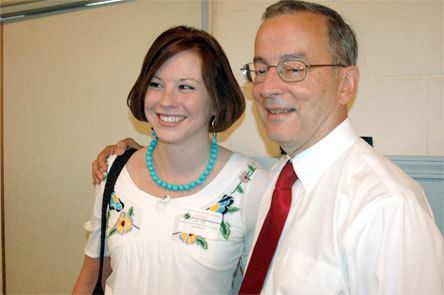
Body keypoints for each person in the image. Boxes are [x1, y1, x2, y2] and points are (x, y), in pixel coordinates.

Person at [92, 1, 443, 294]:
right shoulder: (280, 183)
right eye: (260, 69)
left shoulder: (386, 207)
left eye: (294, 68)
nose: (267, 87)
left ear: (346, 84)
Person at [74, 25, 268, 294]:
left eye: (185, 87)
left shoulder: (250, 185)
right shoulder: (113, 171)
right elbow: (89, 279)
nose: (167, 100)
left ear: (216, 99)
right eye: (156, 84)